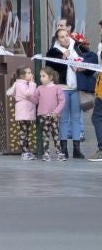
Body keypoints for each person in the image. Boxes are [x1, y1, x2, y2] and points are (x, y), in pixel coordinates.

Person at [43, 22, 86, 159]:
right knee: (63, 119)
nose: (65, 38)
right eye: (61, 37)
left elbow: (89, 59)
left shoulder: (77, 48)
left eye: (66, 35)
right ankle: (63, 149)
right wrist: (62, 58)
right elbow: (49, 67)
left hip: (76, 88)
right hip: (62, 89)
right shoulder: (53, 51)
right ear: (57, 39)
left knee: (76, 118)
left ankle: (77, 149)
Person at [11, 66, 41, 160]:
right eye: (28, 73)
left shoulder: (25, 83)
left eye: (31, 72)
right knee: (23, 131)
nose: (31, 74)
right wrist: (32, 83)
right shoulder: (20, 84)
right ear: (22, 76)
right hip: (23, 110)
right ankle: (24, 152)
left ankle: (27, 150)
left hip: (27, 110)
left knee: (27, 131)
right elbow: (28, 93)